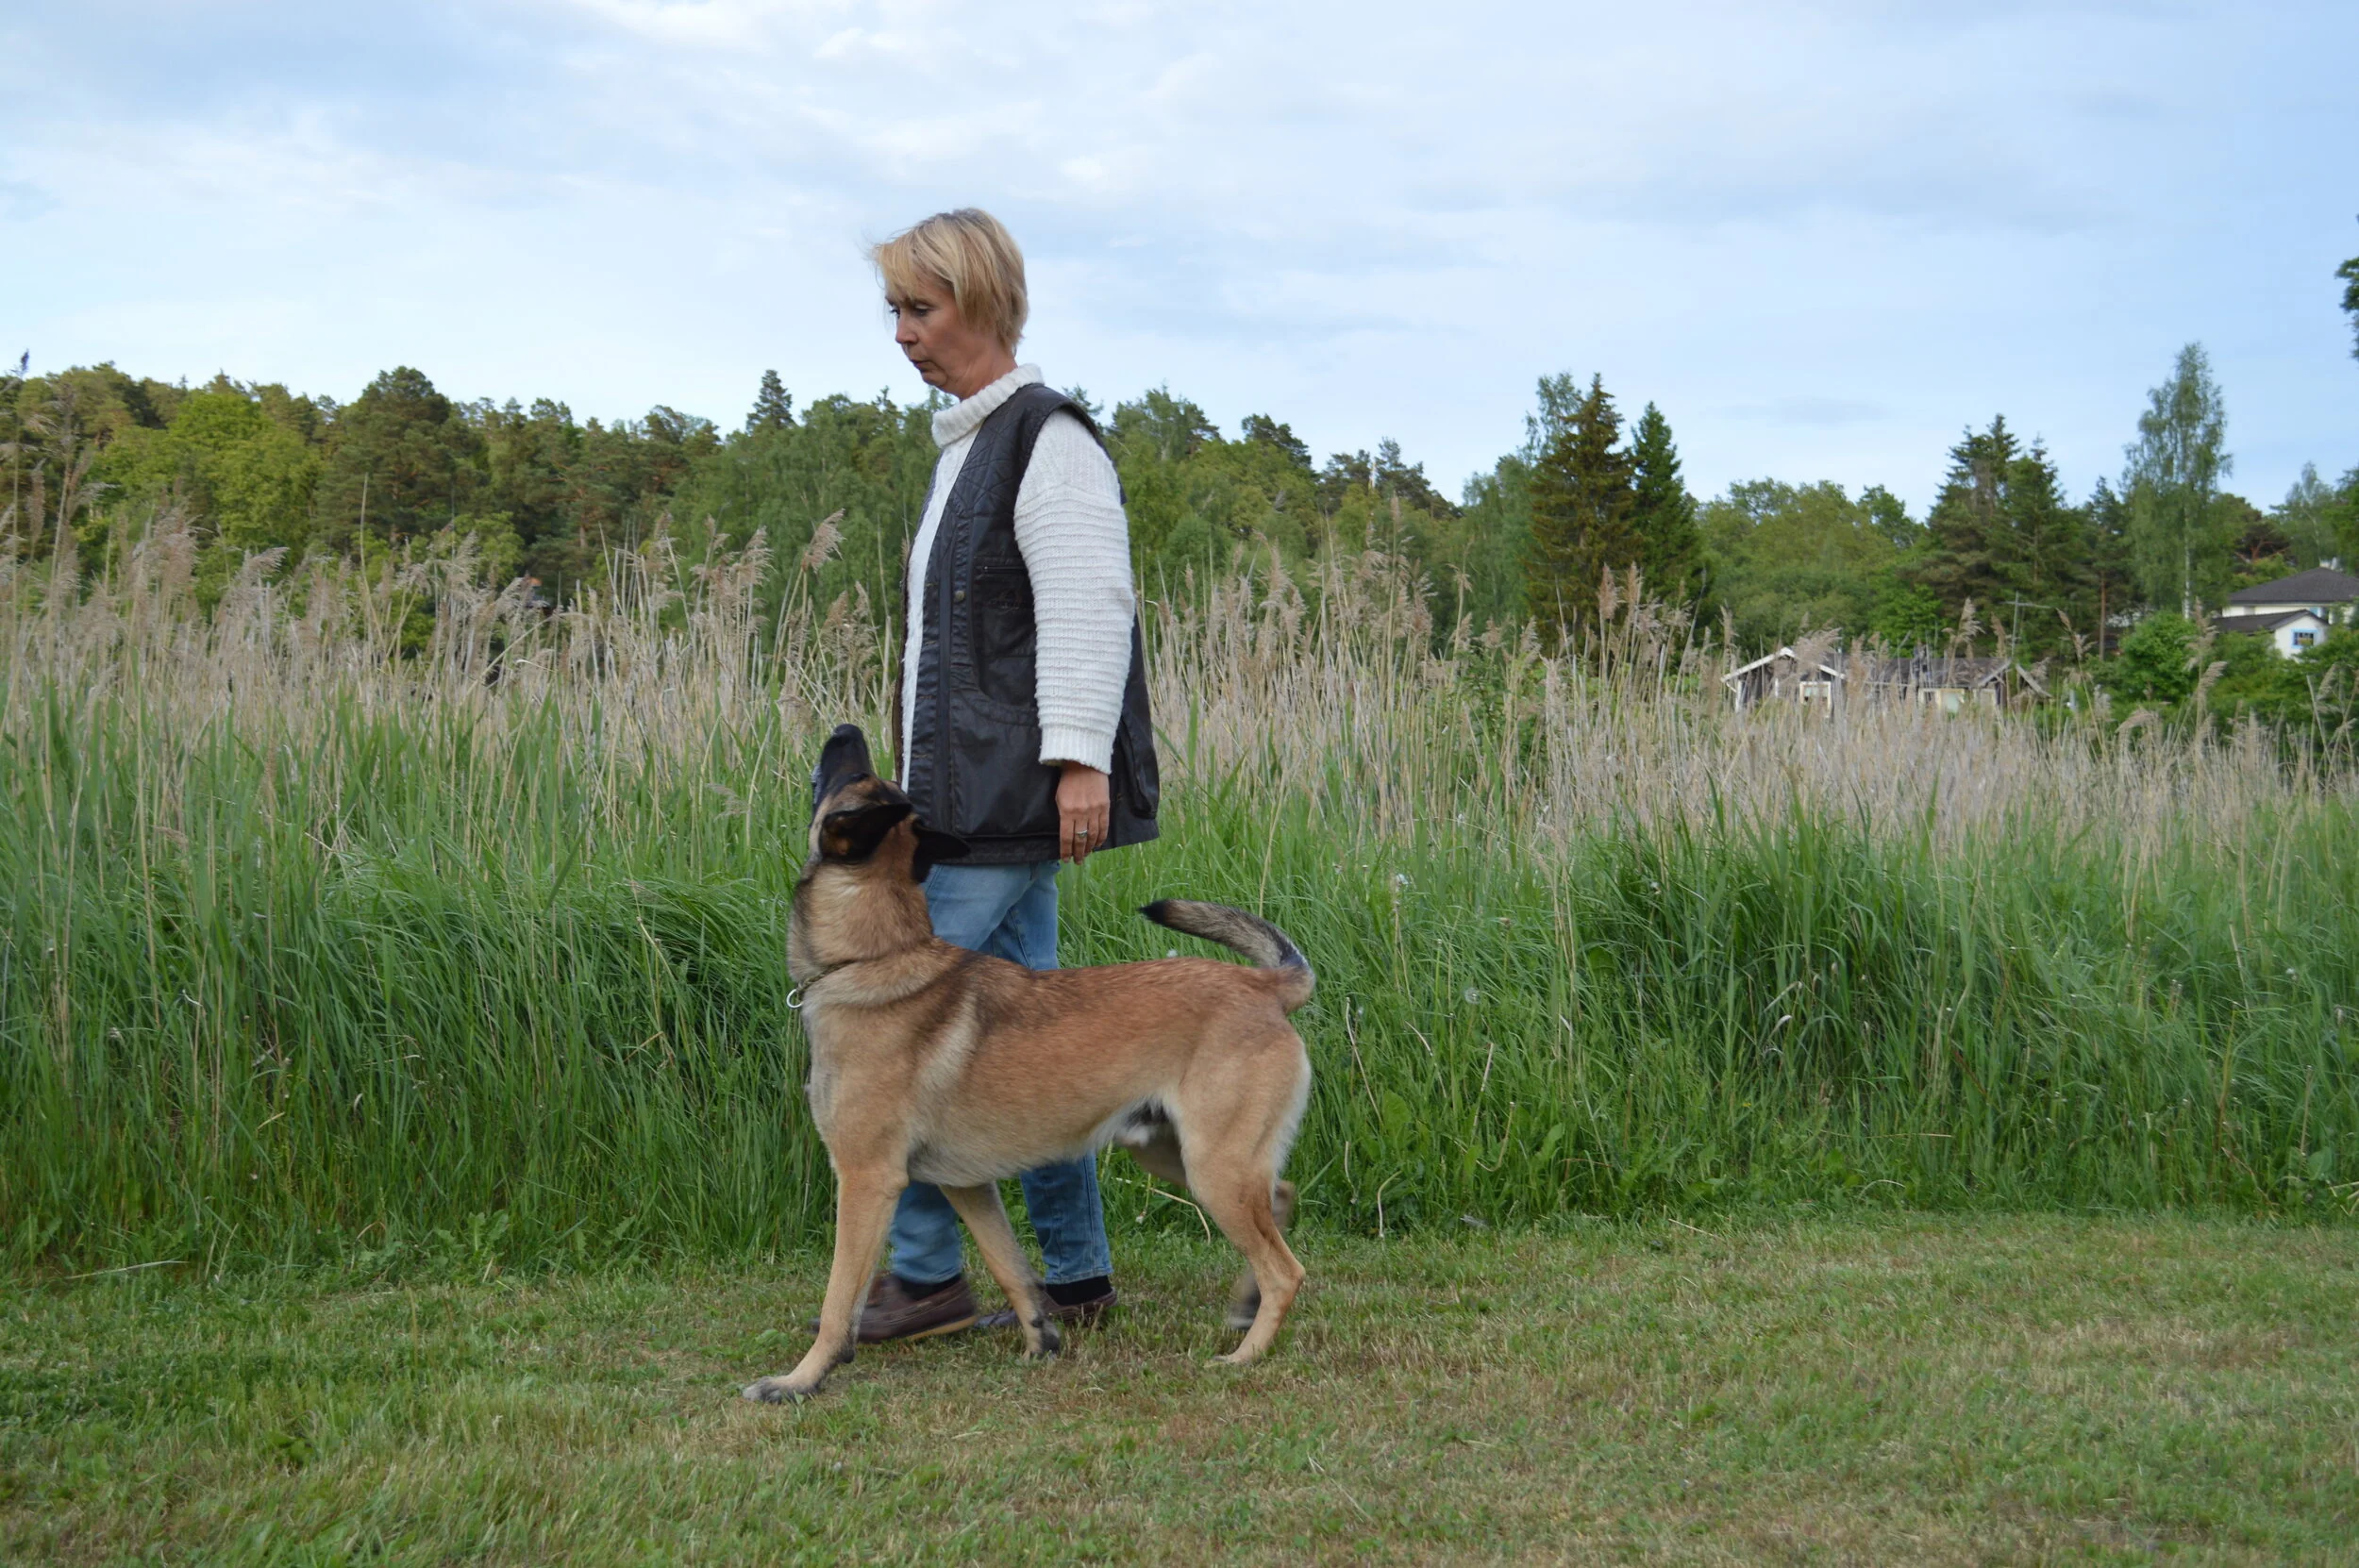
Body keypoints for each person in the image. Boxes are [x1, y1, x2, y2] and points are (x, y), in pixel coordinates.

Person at [840, 208, 1160, 1343]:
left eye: (917, 309)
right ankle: (1072, 1275)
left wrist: (1079, 766)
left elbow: (1089, 611)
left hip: (1010, 800)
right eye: (894, 310)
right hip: (968, 802)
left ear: (977, 302)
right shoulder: (970, 446)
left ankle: (925, 1279)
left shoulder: (1047, 442)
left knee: (911, 1034)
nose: (901, 333)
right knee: (1033, 1048)